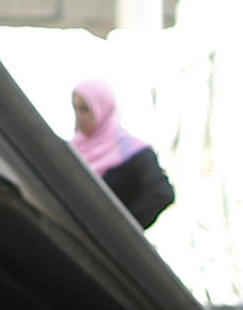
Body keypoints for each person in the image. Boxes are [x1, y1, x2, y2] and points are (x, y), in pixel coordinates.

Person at [68, 71, 176, 230]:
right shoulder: (73, 151)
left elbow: (162, 193)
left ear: (102, 109)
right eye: (75, 108)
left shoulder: (133, 152)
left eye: (85, 109)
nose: (79, 116)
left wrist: (121, 228)